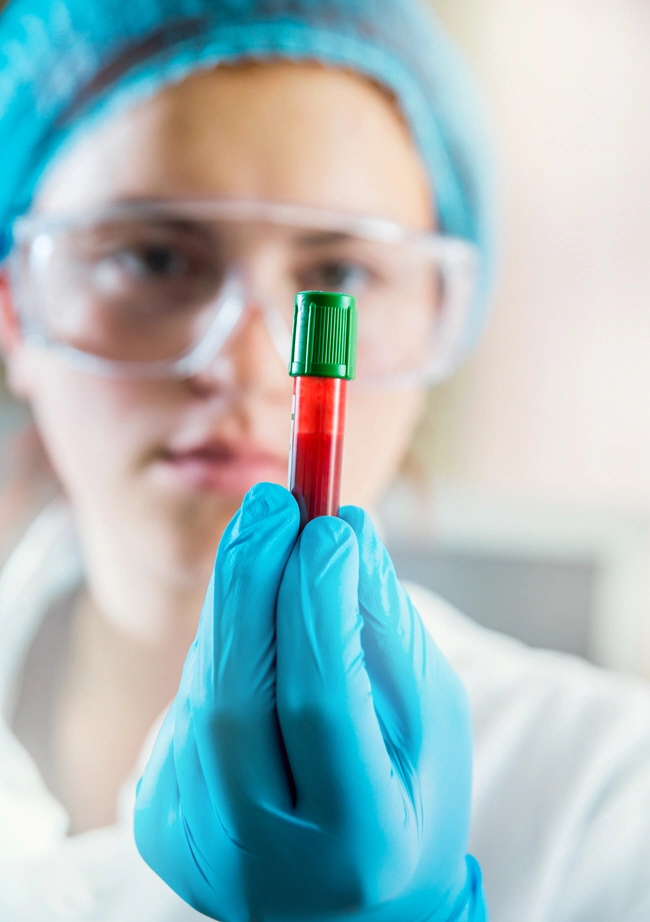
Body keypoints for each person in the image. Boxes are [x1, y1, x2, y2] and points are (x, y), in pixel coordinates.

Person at [0, 0, 649, 920]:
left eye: (340, 274)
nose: (251, 365)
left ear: (439, 321)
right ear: (17, 312)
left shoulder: (607, 802)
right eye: (153, 258)